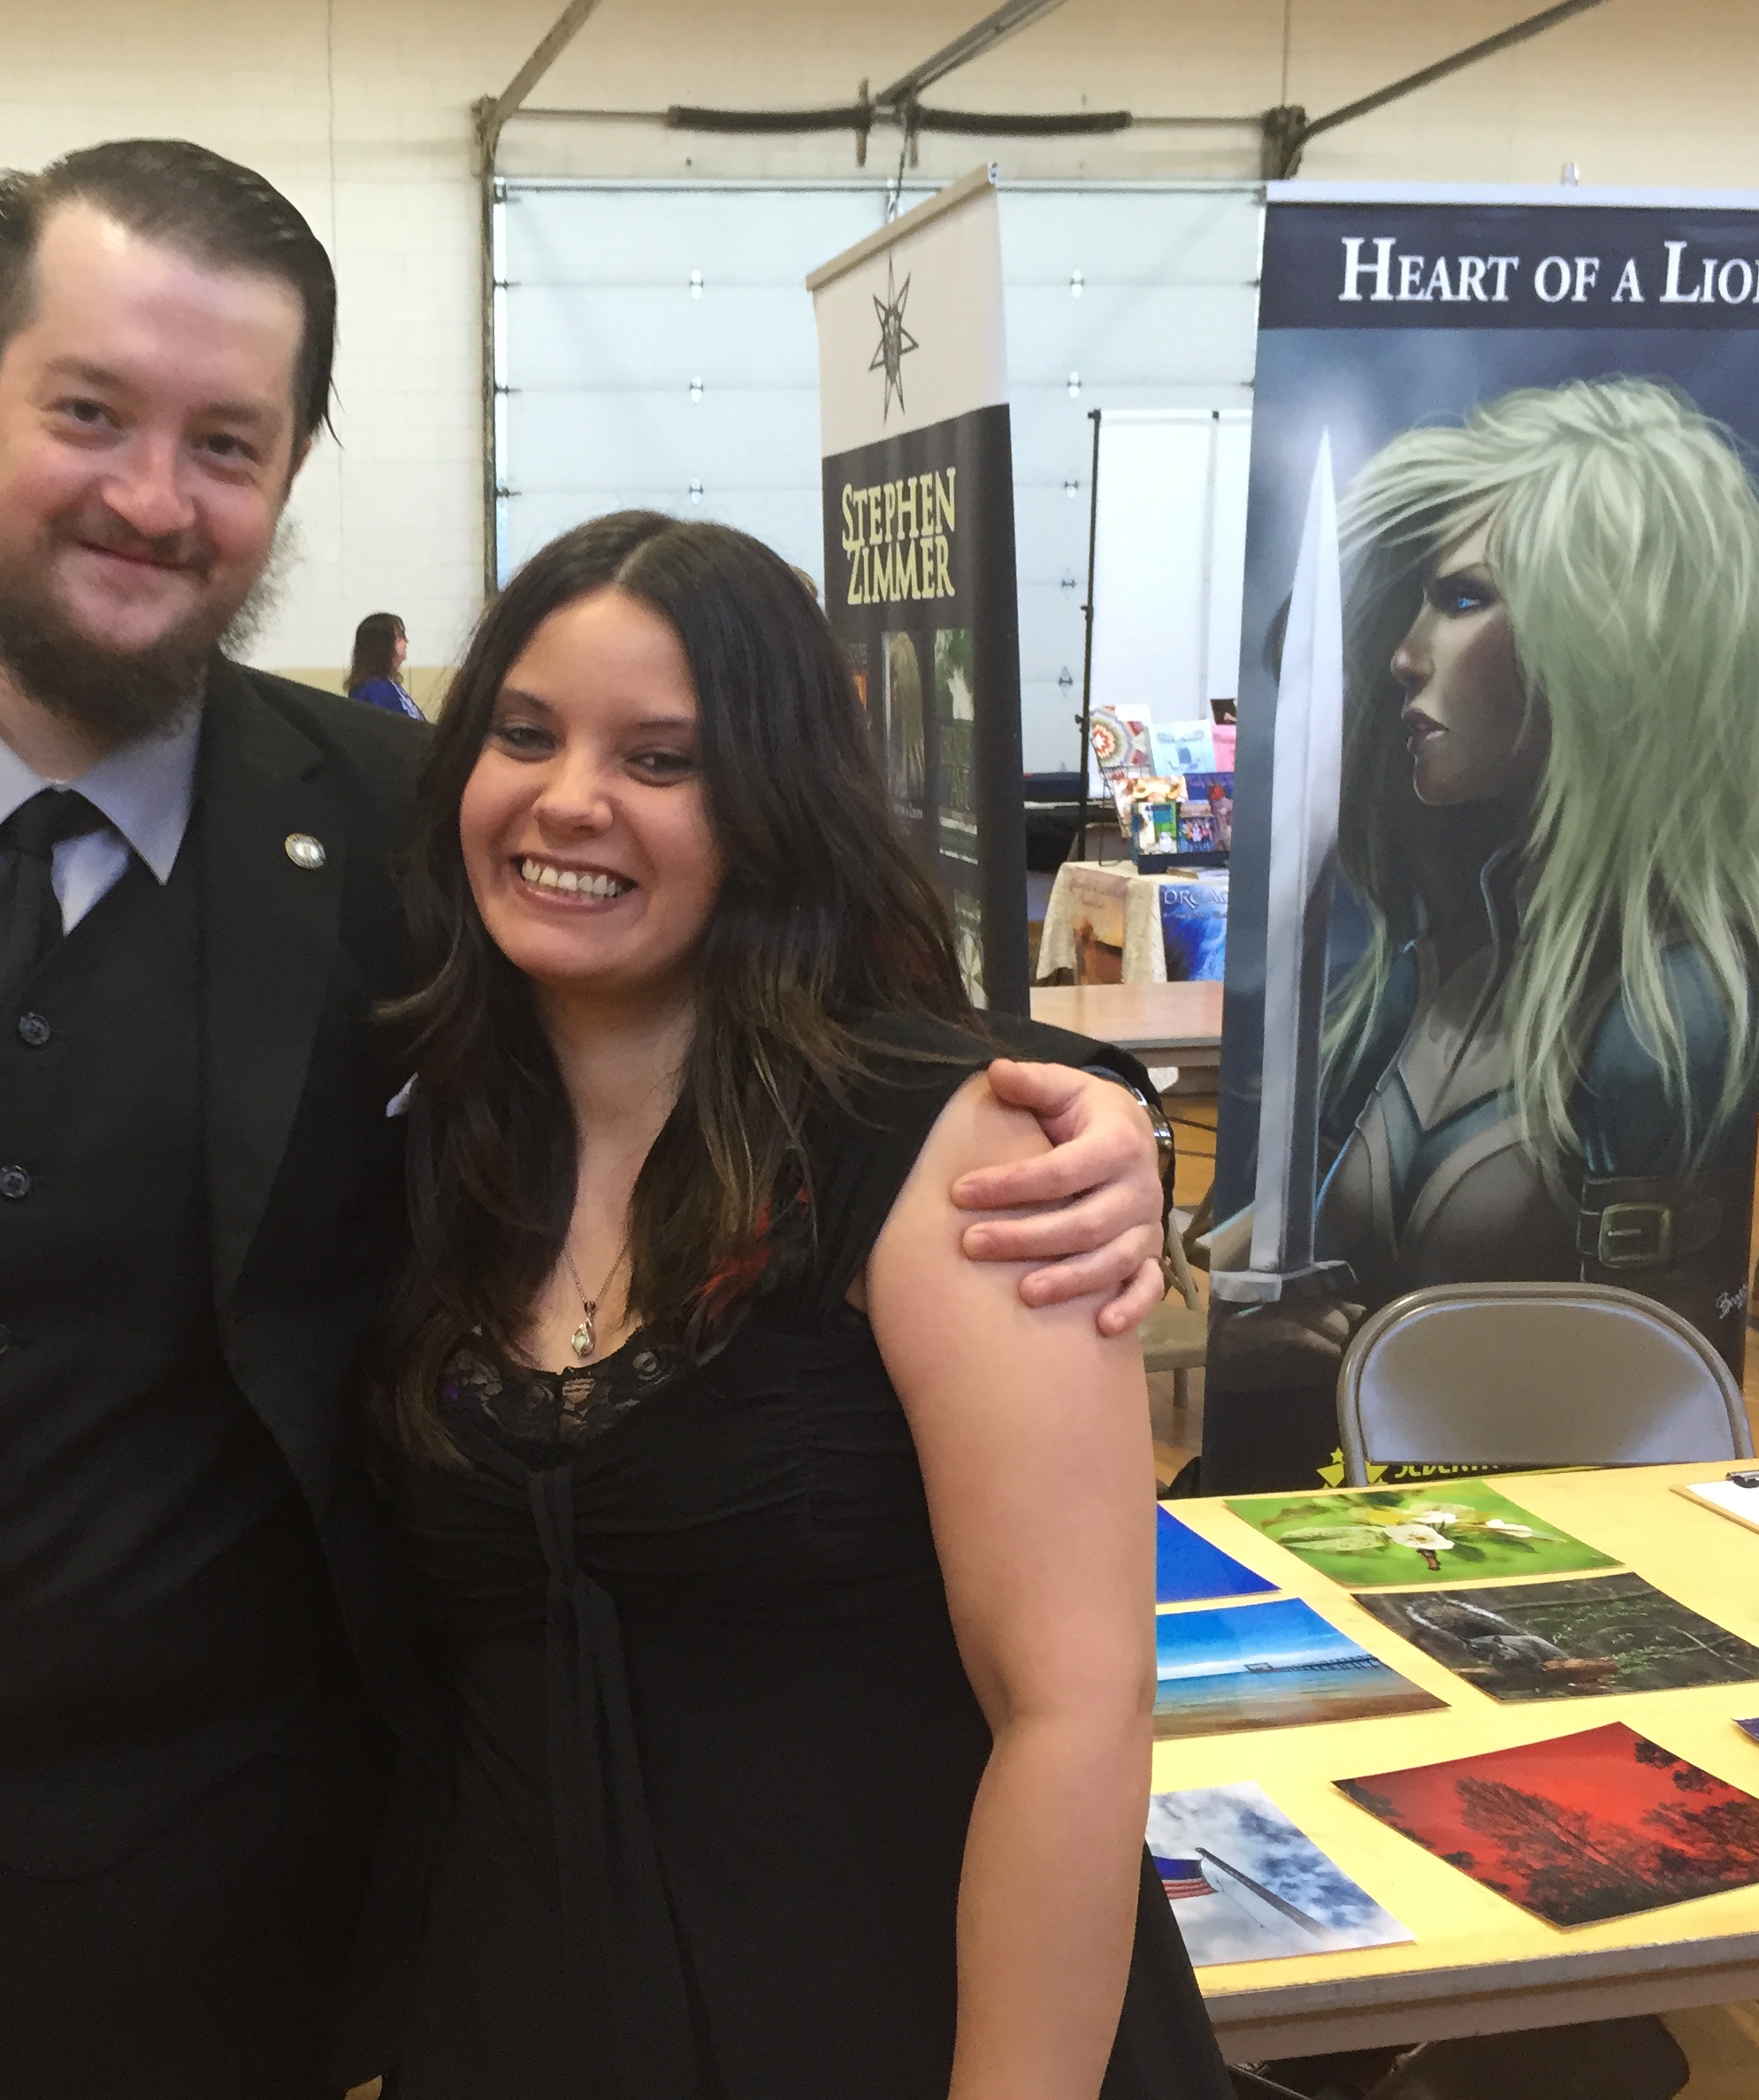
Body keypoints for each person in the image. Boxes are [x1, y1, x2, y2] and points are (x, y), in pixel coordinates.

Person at [0, 140, 1174, 2100]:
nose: (152, 496)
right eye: (89, 413)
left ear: (289, 471)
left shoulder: (416, 840)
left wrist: (1088, 1109)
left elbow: (751, 993)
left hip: (229, 1935)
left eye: (226, 442)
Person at [371, 509, 1229, 2099]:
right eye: (525, 734)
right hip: (533, 2021)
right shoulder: (441, 1144)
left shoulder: (951, 1151)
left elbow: (1074, 1708)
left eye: (660, 759)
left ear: (772, 803)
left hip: (912, 2025)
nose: (570, 798)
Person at [1228, 378, 1759, 1367]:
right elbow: (1273, 1265)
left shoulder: (1665, 1021)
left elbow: (1654, 1384)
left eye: (1464, 598)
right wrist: (1245, 1318)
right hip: (1339, 1456)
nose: (1404, 657)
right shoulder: (1428, 968)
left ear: (1609, 637)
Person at [347, 609, 424, 717]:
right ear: (383, 646)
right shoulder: (373, 691)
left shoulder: (388, 684)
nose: (406, 640)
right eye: (400, 636)